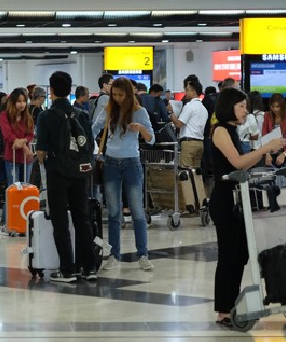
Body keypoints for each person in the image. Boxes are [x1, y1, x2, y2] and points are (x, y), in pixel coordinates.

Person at [209, 87, 286, 326]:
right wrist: (265, 148)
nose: (245, 110)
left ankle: (233, 303)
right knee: (229, 255)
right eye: (241, 106)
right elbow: (238, 163)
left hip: (236, 201)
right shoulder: (220, 130)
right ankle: (223, 309)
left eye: (245, 106)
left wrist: (261, 153)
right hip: (224, 201)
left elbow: (243, 163)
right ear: (228, 106)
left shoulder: (232, 131)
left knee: (240, 254)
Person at [35, 71, 97, 283]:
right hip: (80, 173)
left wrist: (43, 161)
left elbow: (41, 151)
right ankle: (89, 268)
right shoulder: (82, 115)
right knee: (83, 219)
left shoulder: (45, 116)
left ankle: (67, 270)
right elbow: (90, 144)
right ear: (70, 90)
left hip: (57, 174)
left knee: (60, 221)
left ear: (51, 90)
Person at [92, 77, 155, 271]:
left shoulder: (139, 112)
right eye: (114, 95)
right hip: (110, 163)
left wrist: (141, 128)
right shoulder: (108, 110)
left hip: (132, 164)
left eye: (120, 95)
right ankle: (114, 255)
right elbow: (93, 127)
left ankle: (143, 254)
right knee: (113, 213)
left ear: (129, 94)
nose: (117, 98)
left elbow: (151, 139)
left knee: (137, 212)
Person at [0, 87, 35, 233]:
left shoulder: (28, 117)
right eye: (18, 101)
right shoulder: (4, 115)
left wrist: (23, 143)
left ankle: (23, 219)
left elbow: (31, 135)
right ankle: (7, 221)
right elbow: (8, 135)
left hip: (26, 160)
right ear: (12, 102)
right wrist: (25, 147)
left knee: (25, 188)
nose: (22, 104)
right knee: (13, 188)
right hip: (11, 157)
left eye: (24, 101)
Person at [167, 80, 207, 169]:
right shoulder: (203, 108)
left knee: (186, 174)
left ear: (194, 92)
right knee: (196, 173)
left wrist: (171, 111)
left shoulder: (189, 106)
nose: (186, 92)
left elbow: (178, 124)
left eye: (188, 90)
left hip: (189, 144)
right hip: (200, 143)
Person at [261, 93, 286, 169]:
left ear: (282, 106)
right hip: (272, 154)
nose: (275, 109)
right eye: (273, 106)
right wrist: (267, 153)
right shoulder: (267, 116)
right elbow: (264, 136)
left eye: (277, 106)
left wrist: (284, 154)